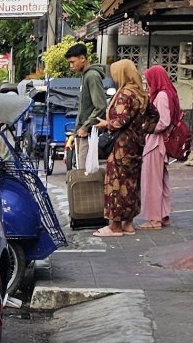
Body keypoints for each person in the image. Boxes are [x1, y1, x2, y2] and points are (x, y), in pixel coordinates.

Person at [92, 60, 151, 237]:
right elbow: (153, 117)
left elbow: (121, 120)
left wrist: (106, 124)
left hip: (121, 146)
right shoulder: (141, 93)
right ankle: (129, 223)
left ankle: (115, 226)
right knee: (131, 184)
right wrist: (140, 131)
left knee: (116, 184)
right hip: (136, 146)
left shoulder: (125, 94)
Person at [140, 65, 179, 229]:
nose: (147, 84)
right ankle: (163, 215)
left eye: (148, 80)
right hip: (161, 143)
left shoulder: (162, 96)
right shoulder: (169, 93)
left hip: (156, 143)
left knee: (152, 181)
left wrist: (145, 127)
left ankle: (154, 219)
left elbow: (163, 121)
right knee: (161, 181)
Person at [66, 42, 107, 170]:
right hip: (83, 133)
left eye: (73, 62)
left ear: (82, 59)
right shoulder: (85, 76)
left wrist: (86, 127)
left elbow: (100, 106)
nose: (71, 66)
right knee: (82, 170)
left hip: (89, 134)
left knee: (86, 174)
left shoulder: (92, 76)